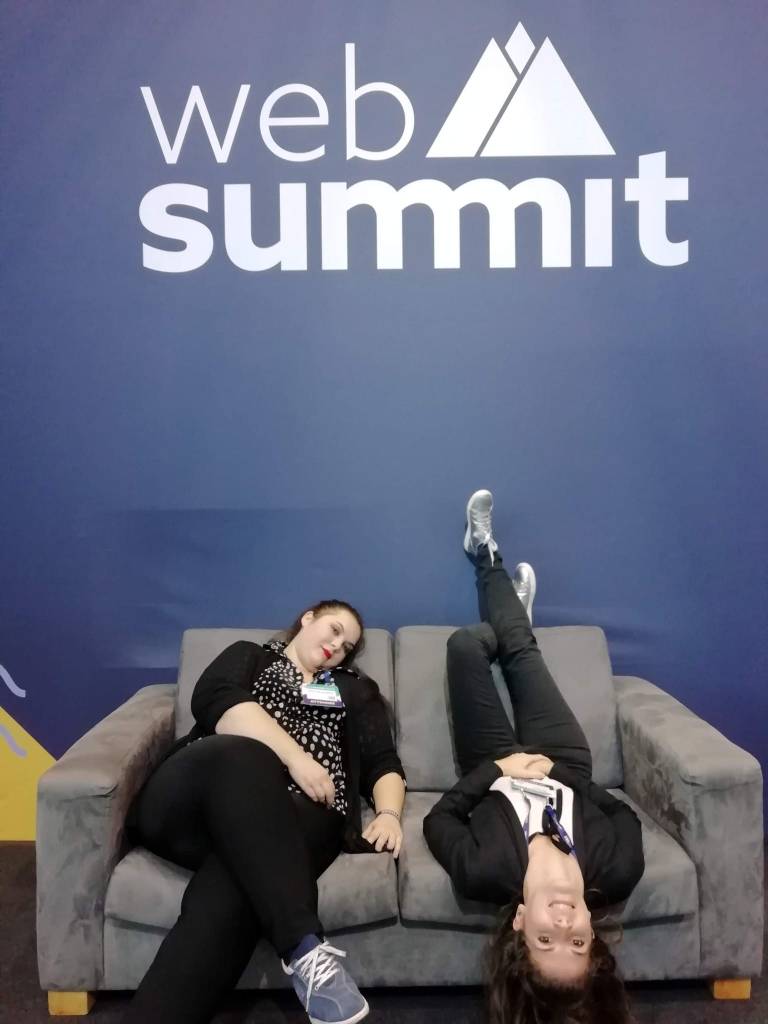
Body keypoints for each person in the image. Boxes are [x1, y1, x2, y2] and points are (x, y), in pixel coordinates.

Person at [122, 599, 406, 1024]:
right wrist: (296, 759)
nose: (336, 646)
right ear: (308, 618)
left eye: (346, 646)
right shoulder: (250, 656)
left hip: (299, 818)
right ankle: (302, 945)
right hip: (197, 801)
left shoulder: (353, 690)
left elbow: (383, 762)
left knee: (232, 891)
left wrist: (388, 815)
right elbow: (215, 698)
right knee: (246, 755)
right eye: (333, 629)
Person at [423, 492, 645, 1024]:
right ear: (594, 935)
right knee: (522, 650)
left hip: (494, 763)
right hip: (562, 758)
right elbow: (622, 814)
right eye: (578, 942)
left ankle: (509, 628)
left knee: (465, 646)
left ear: (520, 925)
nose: (564, 925)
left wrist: (498, 771)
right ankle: (486, 553)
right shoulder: (618, 871)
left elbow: (440, 818)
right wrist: (560, 772)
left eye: (547, 940)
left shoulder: (483, 872)